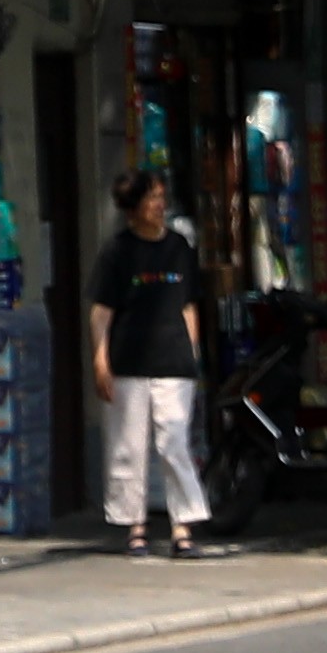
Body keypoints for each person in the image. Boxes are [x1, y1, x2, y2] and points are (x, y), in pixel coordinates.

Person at [91, 169, 216, 555]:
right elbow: (101, 311)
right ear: (134, 208)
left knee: (174, 442)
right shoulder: (117, 252)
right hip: (128, 360)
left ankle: (183, 527)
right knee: (129, 447)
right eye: (152, 199)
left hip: (173, 360)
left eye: (162, 197)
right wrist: (100, 360)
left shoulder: (179, 247)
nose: (160, 205)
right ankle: (135, 527)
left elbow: (189, 304)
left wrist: (191, 350)